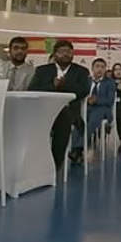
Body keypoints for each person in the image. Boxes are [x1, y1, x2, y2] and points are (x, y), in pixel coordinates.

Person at [28, 40, 90, 168]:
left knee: (64, 118)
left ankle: (55, 165)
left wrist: (64, 85)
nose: (65, 54)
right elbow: (32, 89)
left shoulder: (81, 71)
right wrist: (53, 86)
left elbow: (83, 91)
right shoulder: (42, 70)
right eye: (62, 52)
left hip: (69, 112)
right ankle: (35, 162)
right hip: (43, 111)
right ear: (55, 54)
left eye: (69, 51)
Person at [69, 58, 115, 164]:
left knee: (92, 121)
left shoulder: (110, 82)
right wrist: (86, 99)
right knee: (79, 122)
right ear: (92, 68)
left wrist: (96, 100)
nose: (100, 69)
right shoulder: (87, 81)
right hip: (87, 107)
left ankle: (77, 149)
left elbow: (110, 100)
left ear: (105, 69)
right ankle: (76, 151)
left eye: (102, 67)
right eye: (97, 66)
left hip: (103, 109)